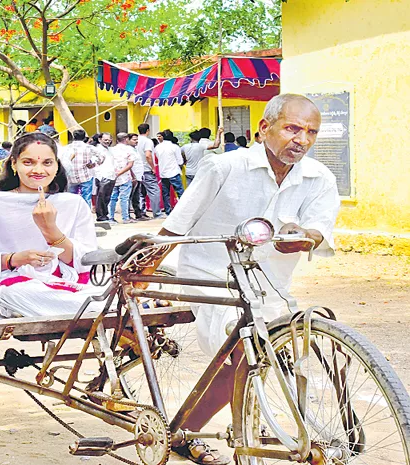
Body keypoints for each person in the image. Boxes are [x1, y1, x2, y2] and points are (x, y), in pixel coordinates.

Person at [156, 94, 340, 464]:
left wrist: (304, 235)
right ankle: (242, 433)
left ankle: (192, 428)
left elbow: (318, 229)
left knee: (272, 350)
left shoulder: (319, 177)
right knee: (243, 350)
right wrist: (143, 272)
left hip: (268, 284)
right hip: (210, 278)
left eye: (310, 132)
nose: (301, 139)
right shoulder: (224, 167)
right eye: (291, 128)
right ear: (264, 128)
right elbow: (175, 227)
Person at [0, 132, 98, 324]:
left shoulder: (73, 203)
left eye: (47, 163)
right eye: (28, 162)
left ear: (56, 166)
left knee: (112, 293)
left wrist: (50, 230)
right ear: (14, 164)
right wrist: (14, 259)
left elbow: (86, 261)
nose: (38, 170)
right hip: (9, 286)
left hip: (65, 282)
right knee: (21, 293)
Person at [64, 129, 99, 205]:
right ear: (84, 137)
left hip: (71, 177)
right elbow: (102, 156)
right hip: (85, 176)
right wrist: (94, 164)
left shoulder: (66, 148)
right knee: (86, 198)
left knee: (71, 199)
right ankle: (85, 216)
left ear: (73, 137)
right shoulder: (89, 147)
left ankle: (72, 215)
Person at [136, 124, 164, 219]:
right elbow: (148, 155)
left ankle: (141, 212)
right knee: (154, 191)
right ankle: (157, 213)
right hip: (147, 169)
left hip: (137, 170)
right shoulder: (148, 141)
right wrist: (153, 167)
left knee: (140, 192)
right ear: (148, 130)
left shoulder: (135, 140)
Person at [154, 129, 185, 215]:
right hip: (174, 171)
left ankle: (168, 210)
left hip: (163, 173)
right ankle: (183, 209)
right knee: (180, 191)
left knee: (165, 193)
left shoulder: (157, 147)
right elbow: (180, 161)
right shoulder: (175, 147)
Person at [108, 133, 136, 224]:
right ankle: (125, 218)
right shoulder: (129, 150)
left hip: (113, 177)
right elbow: (130, 165)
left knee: (112, 198)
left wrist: (116, 174)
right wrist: (123, 173)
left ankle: (111, 217)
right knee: (124, 198)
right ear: (126, 139)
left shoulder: (111, 150)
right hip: (125, 177)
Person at [93, 133, 116, 222]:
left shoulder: (109, 150)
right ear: (100, 140)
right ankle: (101, 216)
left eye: (109, 140)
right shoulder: (97, 150)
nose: (107, 141)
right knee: (101, 197)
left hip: (111, 175)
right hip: (102, 176)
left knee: (107, 197)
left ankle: (105, 215)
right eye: (105, 140)